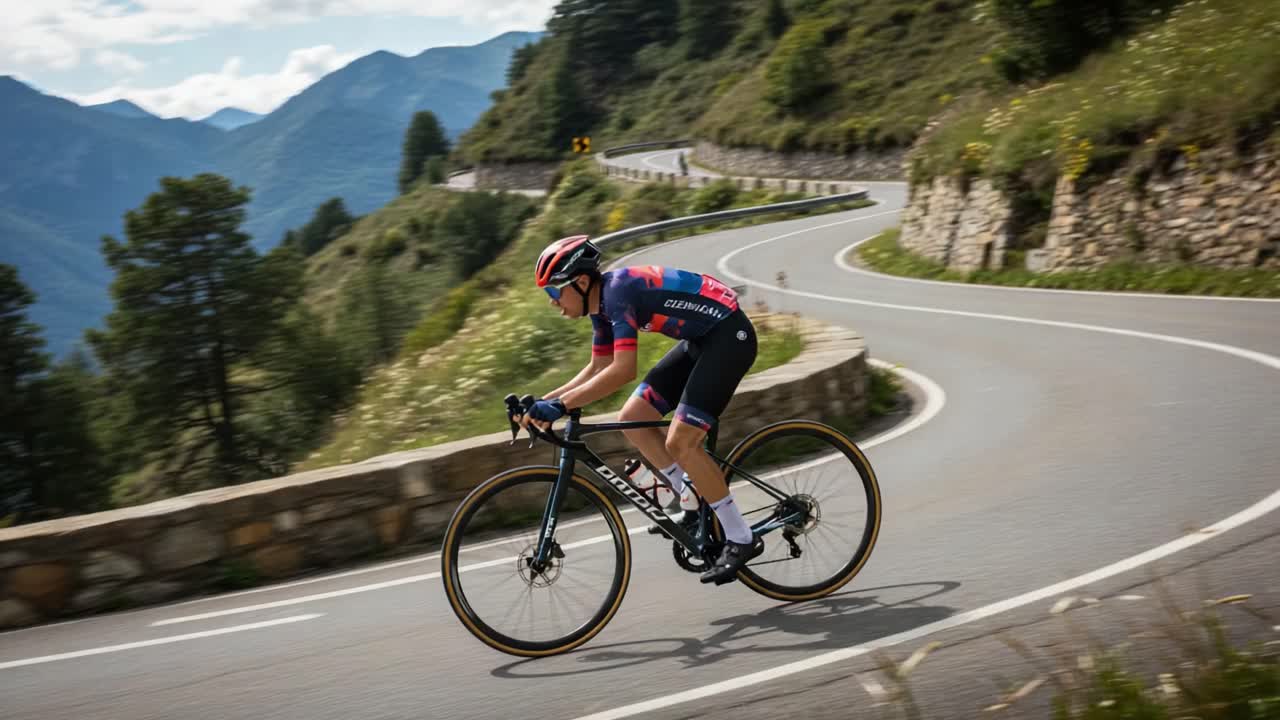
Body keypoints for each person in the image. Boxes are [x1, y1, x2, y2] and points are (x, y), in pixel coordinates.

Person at [518, 234, 763, 585]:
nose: (553, 303)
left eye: (554, 292)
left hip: (728, 337)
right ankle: (693, 504)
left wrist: (559, 406)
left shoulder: (618, 295)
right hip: (700, 341)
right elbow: (598, 366)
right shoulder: (599, 305)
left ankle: (741, 537)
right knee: (632, 419)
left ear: (582, 282)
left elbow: (623, 370)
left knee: (682, 441)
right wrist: (542, 402)